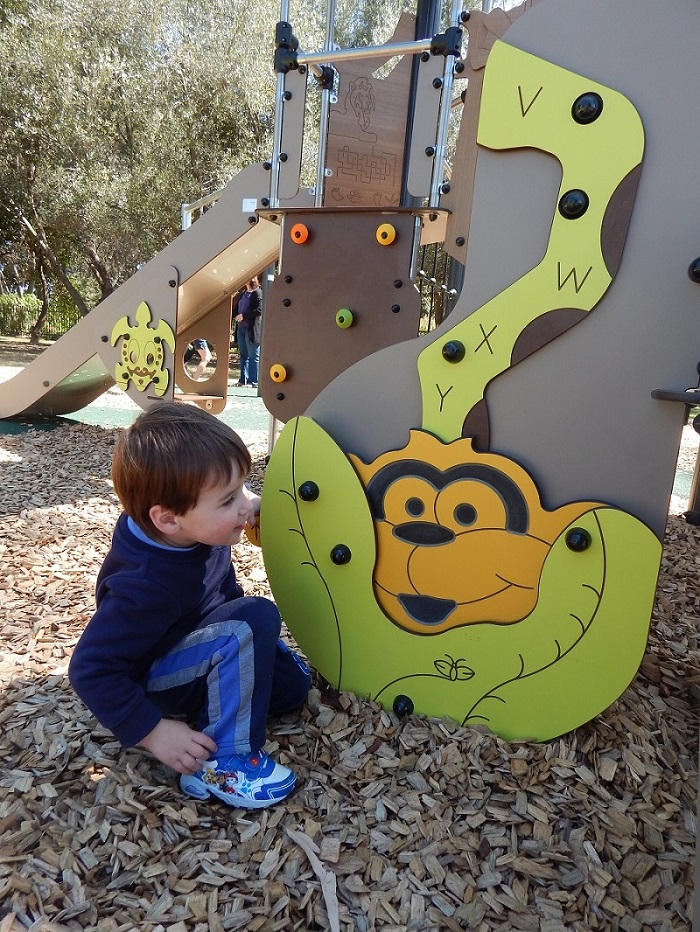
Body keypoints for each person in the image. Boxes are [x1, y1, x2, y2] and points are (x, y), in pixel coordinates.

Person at [68, 401, 310, 809]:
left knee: (292, 690)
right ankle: (225, 763)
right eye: (228, 499)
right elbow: (89, 670)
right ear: (167, 519)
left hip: (196, 642)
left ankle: (214, 708)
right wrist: (155, 731)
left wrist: (240, 506)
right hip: (153, 678)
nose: (245, 505)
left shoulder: (183, 528)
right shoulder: (143, 586)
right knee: (253, 618)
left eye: (243, 489)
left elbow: (224, 518)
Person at [234, 277, 263, 387]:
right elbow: (236, 309)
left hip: (251, 331)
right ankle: (242, 380)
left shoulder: (257, 293)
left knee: (253, 356)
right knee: (243, 355)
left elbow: (259, 310)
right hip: (241, 329)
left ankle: (253, 382)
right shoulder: (243, 293)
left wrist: (244, 316)